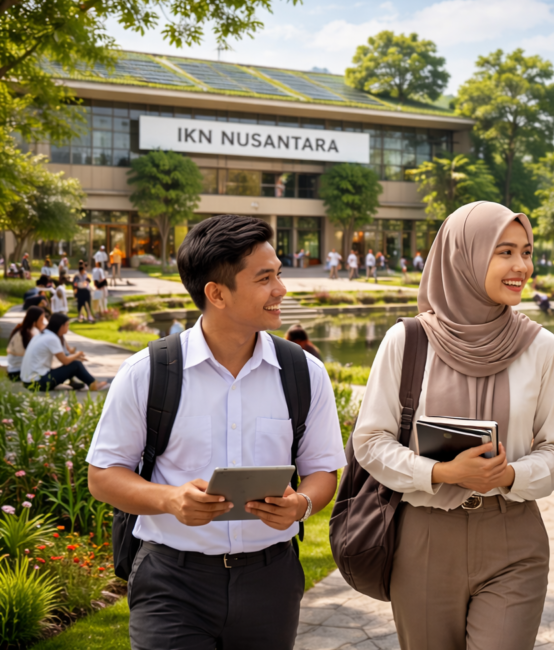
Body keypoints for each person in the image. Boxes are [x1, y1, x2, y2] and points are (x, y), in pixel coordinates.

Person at [86, 214, 346, 650]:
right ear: (216, 293)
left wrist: (301, 504)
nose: (281, 289)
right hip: (172, 582)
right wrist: (170, 499)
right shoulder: (147, 372)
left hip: (271, 581)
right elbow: (103, 475)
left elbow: (323, 472)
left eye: (278, 274)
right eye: (265, 278)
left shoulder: (304, 373)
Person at [353, 201, 554, 650]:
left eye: (526, 252)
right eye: (504, 252)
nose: (521, 266)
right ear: (463, 255)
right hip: (425, 537)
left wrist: (511, 475)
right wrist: (441, 473)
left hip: (513, 536)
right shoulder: (408, 340)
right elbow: (370, 440)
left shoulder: (542, 347)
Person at [21, 313, 106, 391]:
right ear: (61, 326)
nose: (68, 328)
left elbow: (63, 358)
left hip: (27, 382)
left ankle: (76, 382)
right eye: (67, 325)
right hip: (38, 383)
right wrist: (76, 355)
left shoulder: (42, 335)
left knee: (72, 362)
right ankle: (93, 384)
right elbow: (65, 361)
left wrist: (74, 357)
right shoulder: (52, 338)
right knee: (75, 364)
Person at [5, 307, 46, 382]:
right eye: (41, 320)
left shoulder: (20, 329)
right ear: (34, 321)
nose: (43, 323)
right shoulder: (33, 331)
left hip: (12, 371)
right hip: (21, 372)